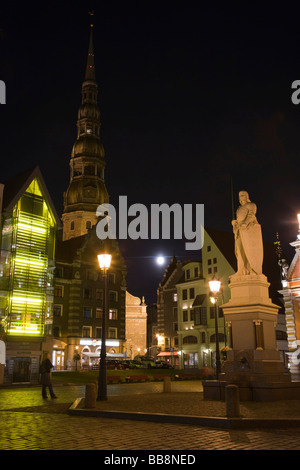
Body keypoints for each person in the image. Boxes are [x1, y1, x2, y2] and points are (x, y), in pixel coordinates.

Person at [231, 191, 263, 276]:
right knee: (240, 250)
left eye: (243, 195)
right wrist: (235, 223)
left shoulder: (251, 205)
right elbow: (239, 220)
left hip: (248, 230)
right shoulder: (238, 209)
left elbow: (251, 215)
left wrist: (245, 223)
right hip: (239, 230)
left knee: (249, 250)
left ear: (246, 196)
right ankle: (240, 270)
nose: (241, 197)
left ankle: (253, 269)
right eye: (239, 196)